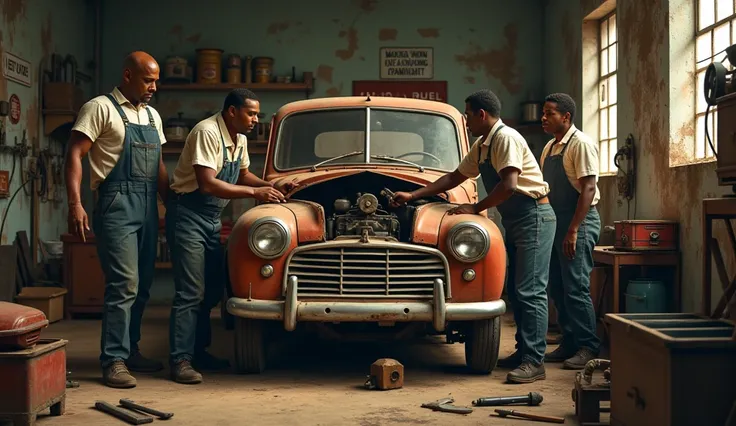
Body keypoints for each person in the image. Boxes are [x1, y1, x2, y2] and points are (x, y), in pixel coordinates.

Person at [390, 89, 556, 384]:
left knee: (531, 291)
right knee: (518, 291)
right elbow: (454, 178)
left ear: (481, 114)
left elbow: (508, 185)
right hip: (517, 218)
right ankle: (524, 352)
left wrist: (476, 207)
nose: (465, 120)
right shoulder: (482, 145)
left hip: (534, 216)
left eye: (467, 114)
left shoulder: (504, 138)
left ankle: (534, 361)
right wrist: (412, 194)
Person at [165, 88, 294, 384]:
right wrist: (255, 193)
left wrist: (272, 186)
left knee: (211, 291)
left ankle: (198, 353)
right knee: (190, 292)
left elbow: (242, 174)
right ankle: (180, 360)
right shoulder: (207, 132)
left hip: (211, 218)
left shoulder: (240, 138)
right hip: (188, 214)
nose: (255, 119)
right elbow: (208, 184)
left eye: (257, 114)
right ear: (232, 112)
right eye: (251, 113)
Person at [65, 51, 170, 388]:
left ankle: (131, 349)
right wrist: (75, 203)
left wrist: (172, 203)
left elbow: (159, 166)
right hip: (116, 204)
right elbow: (75, 154)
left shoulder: (153, 116)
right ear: (127, 75)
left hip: (147, 205)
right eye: (147, 80)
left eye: (156, 80)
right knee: (123, 284)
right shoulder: (100, 108)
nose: (154, 86)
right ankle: (113, 360)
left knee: (143, 287)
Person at [539, 93, 601, 370]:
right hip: (557, 222)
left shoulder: (581, 144)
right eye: (543, 112)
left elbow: (588, 188)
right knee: (557, 285)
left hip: (581, 221)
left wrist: (574, 229)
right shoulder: (550, 147)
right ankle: (570, 342)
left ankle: (589, 346)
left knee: (576, 287)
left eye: (549, 113)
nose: (543, 117)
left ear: (566, 116)